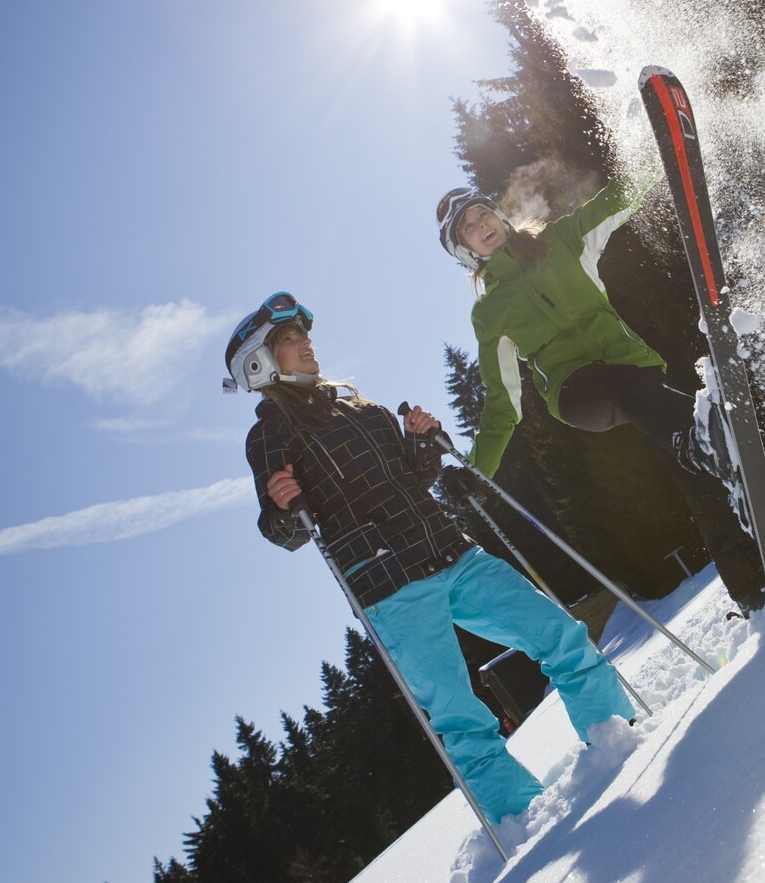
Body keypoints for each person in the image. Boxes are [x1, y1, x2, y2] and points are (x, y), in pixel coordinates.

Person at [226, 292, 635, 825]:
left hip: (449, 550)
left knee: (555, 631)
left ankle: (618, 738)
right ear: (259, 363)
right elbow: (284, 529)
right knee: (459, 715)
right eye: (288, 339)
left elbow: (413, 479)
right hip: (389, 587)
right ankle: (523, 817)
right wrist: (281, 508)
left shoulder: (361, 406)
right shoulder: (270, 434)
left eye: (303, 333)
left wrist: (421, 443)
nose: (306, 342)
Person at [435, 180, 765, 614]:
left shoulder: (560, 239)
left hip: (635, 370)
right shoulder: (490, 312)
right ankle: (700, 439)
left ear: (497, 215)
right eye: (468, 228)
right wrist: (476, 471)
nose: (481, 225)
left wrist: (655, 150)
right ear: (467, 250)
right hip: (578, 392)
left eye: (482, 214)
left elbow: (616, 200)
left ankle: (751, 588)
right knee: (640, 402)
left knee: (689, 466)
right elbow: (503, 403)